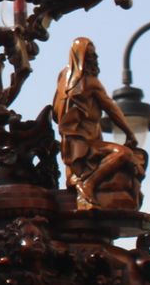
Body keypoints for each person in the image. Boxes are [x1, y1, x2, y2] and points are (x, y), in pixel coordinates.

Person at [51, 37, 144, 209]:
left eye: (94, 55)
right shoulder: (90, 82)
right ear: (81, 57)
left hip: (69, 145)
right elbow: (112, 109)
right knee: (123, 154)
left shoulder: (63, 77)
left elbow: (55, 112)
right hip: (85, 144)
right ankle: (89, 184)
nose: (95, 58)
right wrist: (129, 133)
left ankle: (82, 180)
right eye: (91, 55)